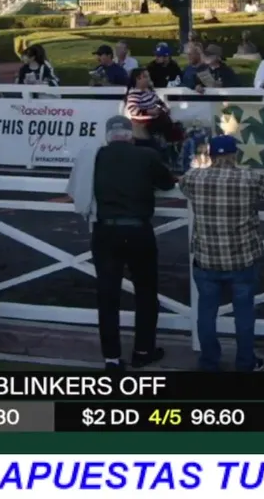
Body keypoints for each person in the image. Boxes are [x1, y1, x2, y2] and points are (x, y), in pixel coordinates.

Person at [179, 135, 264, 371]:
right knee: (244, 314)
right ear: (234, 155)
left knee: (206, 313)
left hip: (206, 259)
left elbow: (183, 185)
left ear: (210, 156)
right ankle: (245, 362)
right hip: (242, 259)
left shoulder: (193, 177)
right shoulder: (250, 178)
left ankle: (209, 362)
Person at [81, 115, 176, 370]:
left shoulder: (95, 157)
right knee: (146, 293)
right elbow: (167, 184)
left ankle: (111, 358)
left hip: (105, 231)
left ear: (108, 136)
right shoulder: (146, 155)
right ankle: (143, 351)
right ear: (129, 135)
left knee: (107, 296)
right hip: (138, 230)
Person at [125, 68, 174, 146]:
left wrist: (164, 107)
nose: (148, 79)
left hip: (155, 120)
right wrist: (149, 112)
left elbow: (158, 101)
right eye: (145, 77)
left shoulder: (148, 91)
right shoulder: (134, 94)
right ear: (138, 79)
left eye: (148, 76)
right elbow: (133, 110)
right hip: (145, 123)